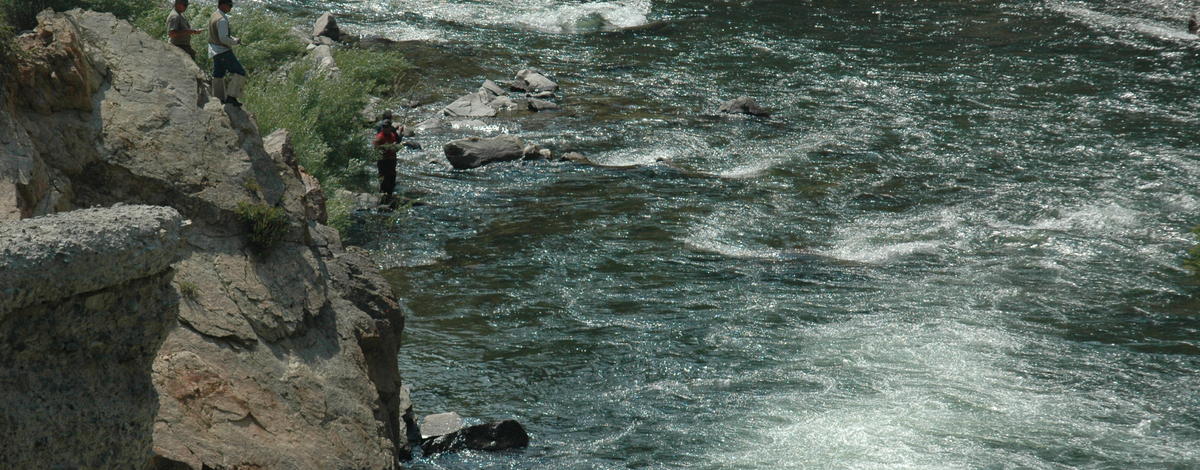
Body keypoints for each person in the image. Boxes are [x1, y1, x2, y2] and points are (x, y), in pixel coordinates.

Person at [208, 0, 247, 106]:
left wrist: (234, 39)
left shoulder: (214, 15)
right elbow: (223, 39)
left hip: (214, 50)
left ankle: (218, 98)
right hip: (223, 51)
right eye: (229, 5)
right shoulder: (222, 20)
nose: (231, 7)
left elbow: (218, 35)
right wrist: (234, 42)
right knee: (240, 72)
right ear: (222, 5)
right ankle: (231, 97)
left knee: (218, 74)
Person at [372, 111, 405, 206]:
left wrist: (401, 134)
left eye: (387, 127)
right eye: (384, 127)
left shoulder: (392, 135)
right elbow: (376, 150)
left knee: (392, 177)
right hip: (383, 160)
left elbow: (396, 143)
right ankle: (382, 197)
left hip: (392, 160)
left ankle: (390, 196)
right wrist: (388, 148)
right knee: (383, 178)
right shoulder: (379, 137)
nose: (385, 128)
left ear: (390, 127)